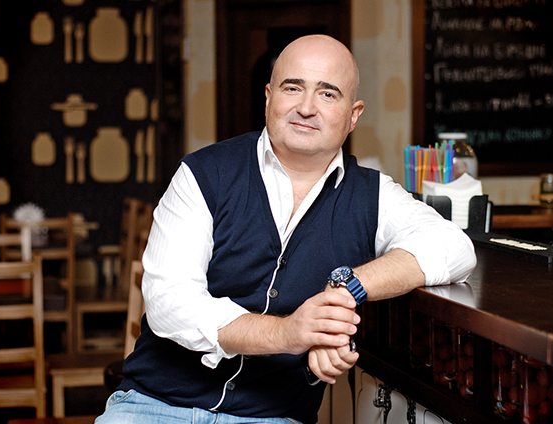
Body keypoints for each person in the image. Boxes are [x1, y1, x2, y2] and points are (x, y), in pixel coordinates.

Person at [95, 34, 476, 424]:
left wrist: (346, 287)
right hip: (154, 406)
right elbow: (169, 302)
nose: (306, 108)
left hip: (272, 418)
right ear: (268, 98)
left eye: (327, 94)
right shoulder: (203, 174)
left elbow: (454, 247)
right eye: (292, 88)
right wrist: (288, 333)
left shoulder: (373, 195)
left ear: (353, 115)